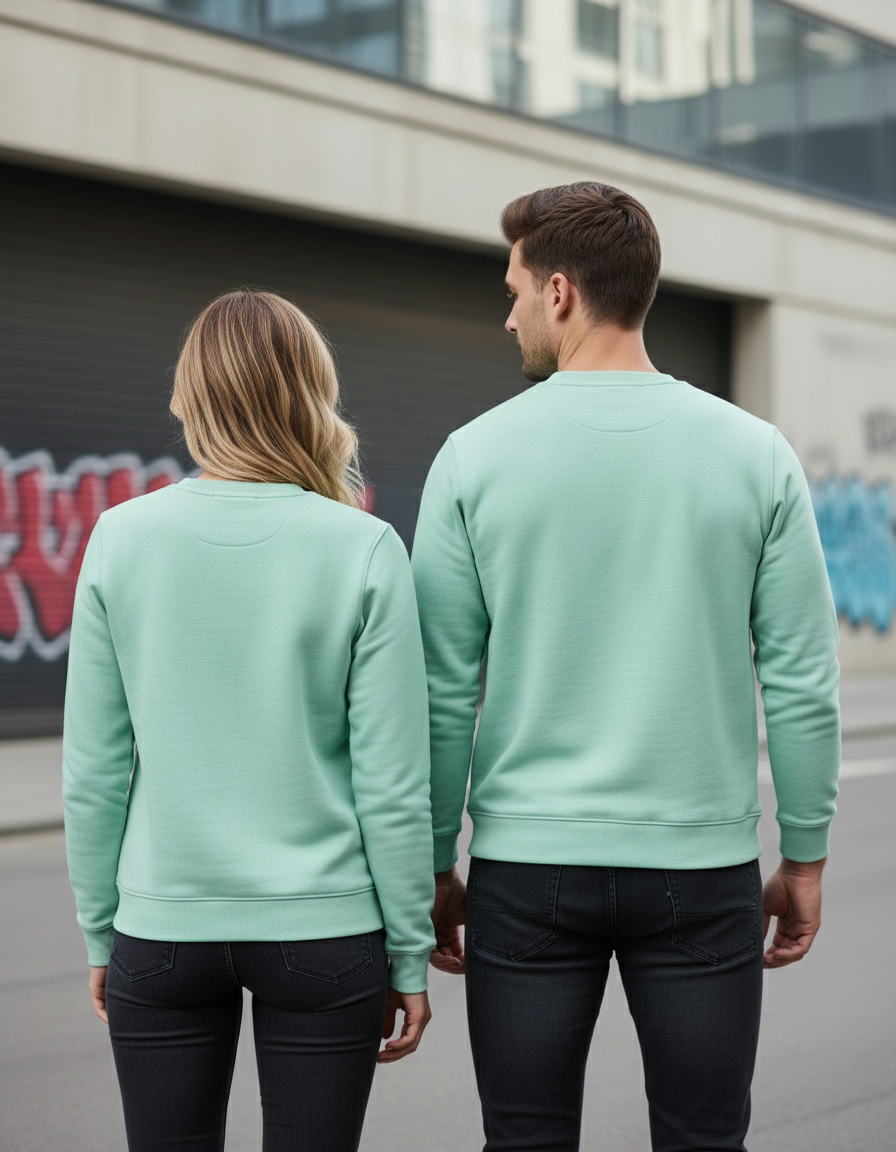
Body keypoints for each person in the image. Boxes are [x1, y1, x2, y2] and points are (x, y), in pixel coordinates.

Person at [412, 183, 840, 1152]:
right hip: (699, 870)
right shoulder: (754, 455)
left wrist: (435, 860)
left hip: (528, 869)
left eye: (515, 288)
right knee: (700, 1138)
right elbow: (801, 680)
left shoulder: (471, 459)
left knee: (524, 1139)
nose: (507, 310)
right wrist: (802, 857)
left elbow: (438, 689)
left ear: (560, 292)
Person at [63, 289, 436, 1152]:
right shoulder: (365, 547)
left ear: (191, 398)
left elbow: (91, 771)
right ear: (312, 394)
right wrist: (408, 952)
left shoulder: (120, 539)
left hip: (162, 928)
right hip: (324, 927)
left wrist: (98, 930)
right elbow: (391, 782)